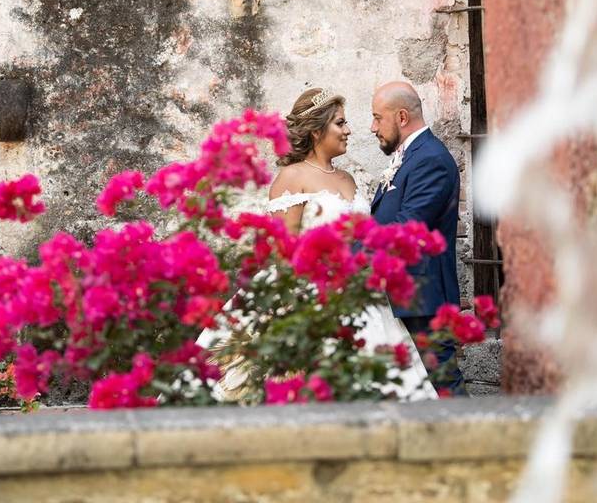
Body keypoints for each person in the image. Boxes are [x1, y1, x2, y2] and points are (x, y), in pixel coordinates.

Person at [199, 87, 436, 401]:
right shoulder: (291, 178)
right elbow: (283, 253)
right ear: (315, 130)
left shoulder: (349, 180)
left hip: (364, 298)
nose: (349, 130)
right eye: (340, 123)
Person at [370, 81, 466, 395]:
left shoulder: (431, 159)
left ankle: (479, 442)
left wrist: (348, 250)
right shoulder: (411, 155)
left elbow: (406, 226)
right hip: (405, 297)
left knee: (443, 386)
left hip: (423, 299)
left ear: (400, 117)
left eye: (377, 118)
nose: (372, 127)